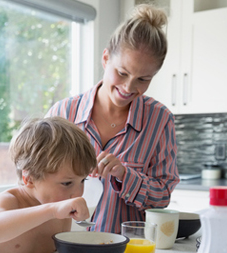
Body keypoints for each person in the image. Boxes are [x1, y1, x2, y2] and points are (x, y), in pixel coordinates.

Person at [46, 4, 180, 233]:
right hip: (62, 247)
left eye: (143, 79)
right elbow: (35, 183)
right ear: (106, 58)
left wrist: (125, 175)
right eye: (122, 73)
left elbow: (162, 197)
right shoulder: (63, 114)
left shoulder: (160, 120)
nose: (129, 87)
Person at [0, 116, 97, 253]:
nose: (77, 194)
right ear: (29, 178)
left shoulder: (60, 208)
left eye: (83, 180)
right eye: (67, 183)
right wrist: (51, 210)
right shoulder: (10, 200)